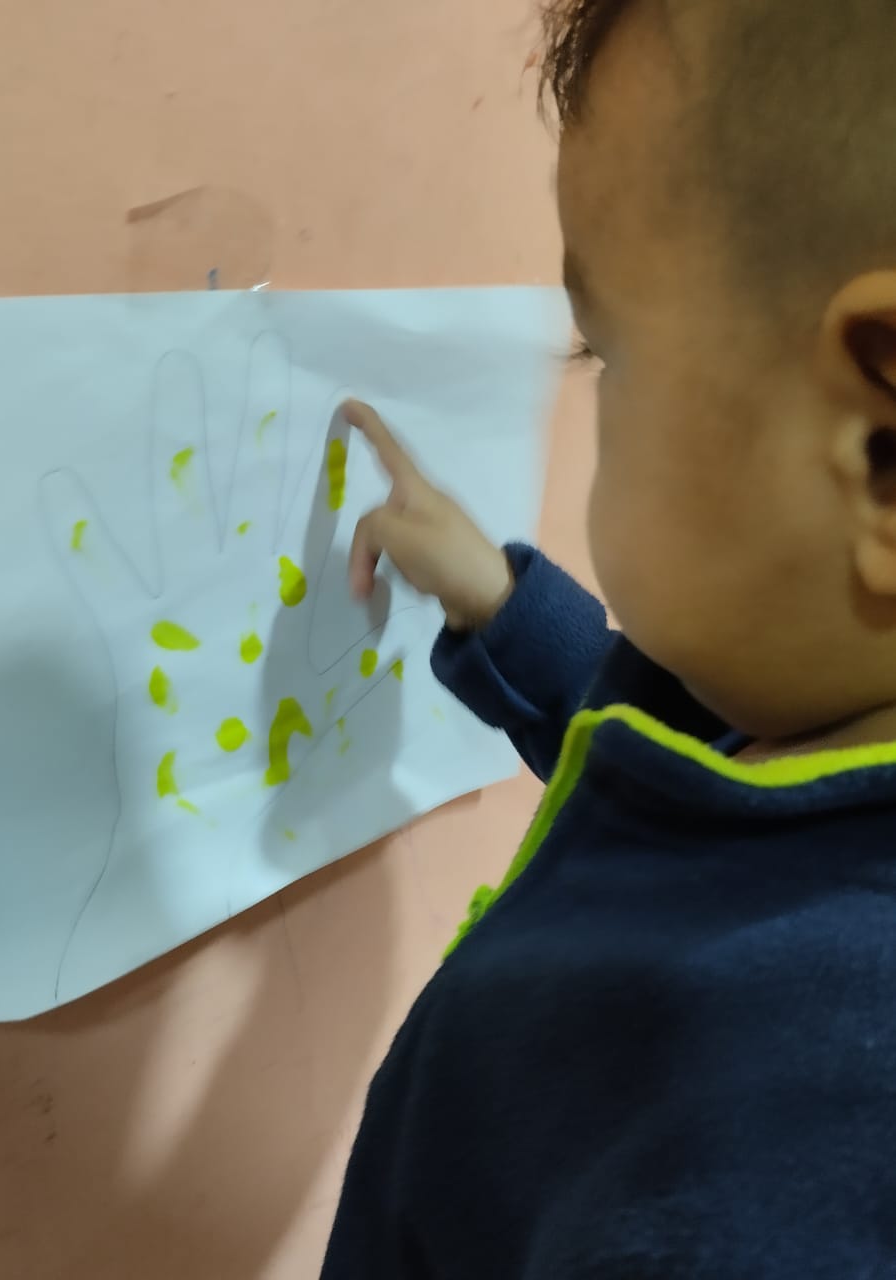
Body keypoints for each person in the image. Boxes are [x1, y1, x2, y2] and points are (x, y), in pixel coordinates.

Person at [321, 1, 896, 1274]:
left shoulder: (791, 1132)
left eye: (609, 350)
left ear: (881, 456)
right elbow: (690, 774)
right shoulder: (826, 729)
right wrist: (502, 606)